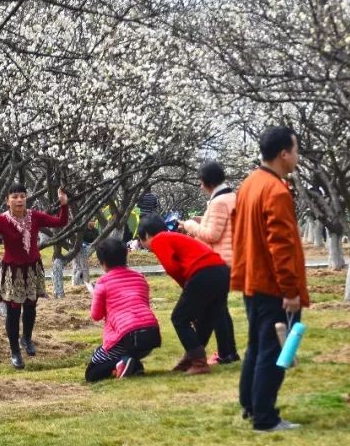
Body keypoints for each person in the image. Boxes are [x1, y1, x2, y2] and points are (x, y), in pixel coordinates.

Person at [230, 125, 309, 433]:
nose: (297, 157)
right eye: (296, 150)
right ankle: (265, 417)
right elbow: (282, 245)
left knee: (256, 347)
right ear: (283, 154)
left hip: (253, 280)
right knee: (273, 351)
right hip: (273, 285)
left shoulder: (249, 183)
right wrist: (290, 290)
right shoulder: (276, 190)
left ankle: (251, 406)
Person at [0, 184, 68, 369]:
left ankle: (26, 339)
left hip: (33, 268)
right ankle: (15, 351)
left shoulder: (35, 216)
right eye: (15, 196)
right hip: (13, 271)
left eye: (22, 196)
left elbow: (60, 222)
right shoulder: (1, 220)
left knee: (31, 307)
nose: (19, 200)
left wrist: (64, 204)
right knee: (13, 311)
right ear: (7, 200)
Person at [136, 214, 233, 375]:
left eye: (141, 240)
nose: (144, 245)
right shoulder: (173, 236)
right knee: (205, 319)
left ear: (146, 235)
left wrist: (187, 289)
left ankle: (199, 362)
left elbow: (172, 268)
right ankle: (191, 358)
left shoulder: (159, 239)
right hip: (221, 271)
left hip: (203, 272)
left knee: (179, 318)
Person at [179, 160, 239, 365]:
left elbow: (212, 235)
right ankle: (228, 352)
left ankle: (226, 353)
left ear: (207, 182)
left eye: (200, 181)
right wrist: (201, 220)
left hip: (221, 260)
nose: (199, 186)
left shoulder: (218, 202)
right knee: (219, 308)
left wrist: (189, 226)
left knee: (217, 308)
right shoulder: (232, 197)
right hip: (232, 257)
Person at [85, 237, 162, 381]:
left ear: (103, 263)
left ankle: (125, 363)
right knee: (124, 352)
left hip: (128, 336)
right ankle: (134, 365)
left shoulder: (102, 283)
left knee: (92, 372)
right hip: (151, 334)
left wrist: (95, 294)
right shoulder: (139, 277)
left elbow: (96, 315)